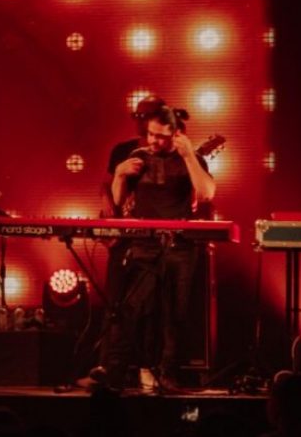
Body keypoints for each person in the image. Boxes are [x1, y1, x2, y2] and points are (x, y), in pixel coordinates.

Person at [91, 104, 215, 393]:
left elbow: (206, 193)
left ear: (176, 133)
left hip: (180, 244)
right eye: (150, 134)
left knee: (175, 312)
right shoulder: (139, 155)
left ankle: (167, 373)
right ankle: (115, 371)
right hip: (143, 243)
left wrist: (189, 156)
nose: (153, 141)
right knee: (129, 308)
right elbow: (118, 201)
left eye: (160, 136)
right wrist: (119, 175)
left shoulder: (191, 158)